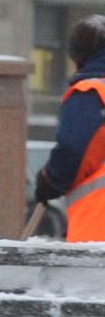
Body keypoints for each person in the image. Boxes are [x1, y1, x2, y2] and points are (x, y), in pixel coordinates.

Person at [33, 16, 105, 242]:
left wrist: (50, 180)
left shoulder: (91, 92)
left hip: (97, 228)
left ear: (77, 57)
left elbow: (74, 150)